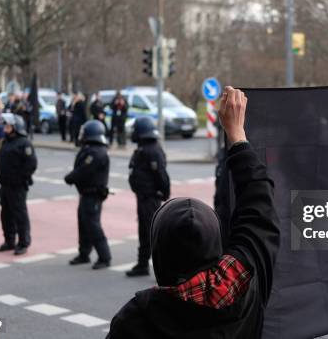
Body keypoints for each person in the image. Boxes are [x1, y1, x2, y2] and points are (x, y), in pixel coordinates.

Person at [107, 87, 280, 339]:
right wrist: (237, 135)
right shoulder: (246, 289)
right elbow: (260, 207)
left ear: (160, 253)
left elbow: (259, 210)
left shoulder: (134, 322)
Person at [124, 116, 170, 277]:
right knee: (145, 231)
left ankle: (165, 269)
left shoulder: (152, 150)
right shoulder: (144, 148)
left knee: (152, 233)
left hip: (150, 198)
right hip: (143, 197)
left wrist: (164, 193)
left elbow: (161, 174)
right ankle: (143, 264)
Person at [64, 120, 112, 270]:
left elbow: (84, 170)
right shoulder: (91, 149)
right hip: (86, 194)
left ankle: (104, 257)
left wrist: (70, 177)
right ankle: (84, 253)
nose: (81, 135)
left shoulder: (97, 152)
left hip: (93, 195)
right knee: (84, 224)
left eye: (84, 133)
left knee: (93, 226)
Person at [0, 113, 37, 255]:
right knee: (6, 215)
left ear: (16, 127)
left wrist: (19, 178)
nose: (5, 128)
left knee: (20, 215)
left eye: (8, 126)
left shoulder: (24, 143)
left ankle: (23, 242)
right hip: (5, 186)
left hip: (17, 186)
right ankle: (9, 241)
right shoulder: (7, 141)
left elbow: (31, 164)